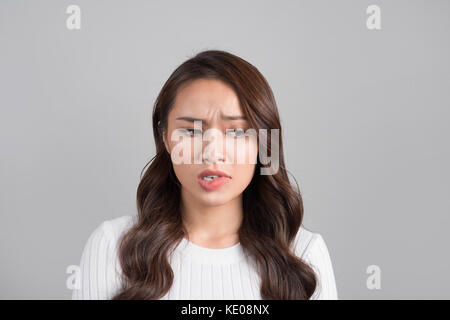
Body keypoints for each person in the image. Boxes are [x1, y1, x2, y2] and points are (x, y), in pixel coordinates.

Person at [72, 50, 338, 300]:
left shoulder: (303, 254)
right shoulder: (113, 247)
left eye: (236, 132)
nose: (212, 154)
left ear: (263, 142)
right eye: (191, 131)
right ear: (165, 138)